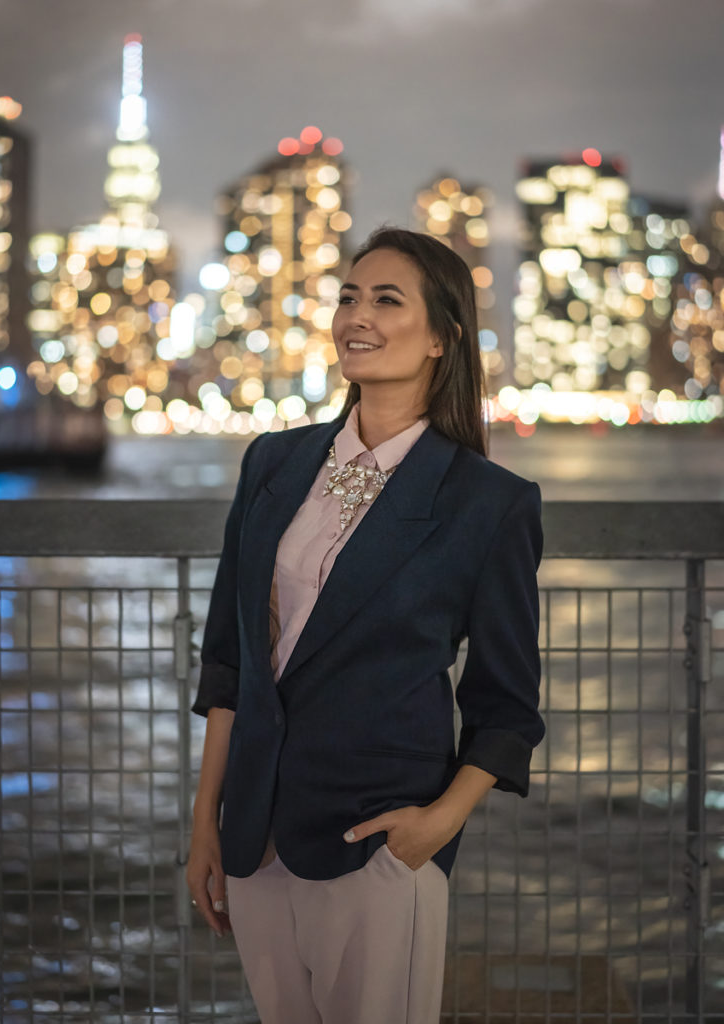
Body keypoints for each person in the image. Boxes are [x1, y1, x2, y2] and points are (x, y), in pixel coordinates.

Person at [186, 227, 545, 1024]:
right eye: (349, 295)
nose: (359, 315)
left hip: (379, 839)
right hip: (254, 833)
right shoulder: (273, 463)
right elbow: (228, 659)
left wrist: (436, 826)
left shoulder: (489, 503)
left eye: (388, 300)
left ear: (443, 338)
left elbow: (506, 703)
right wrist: (205, 821)